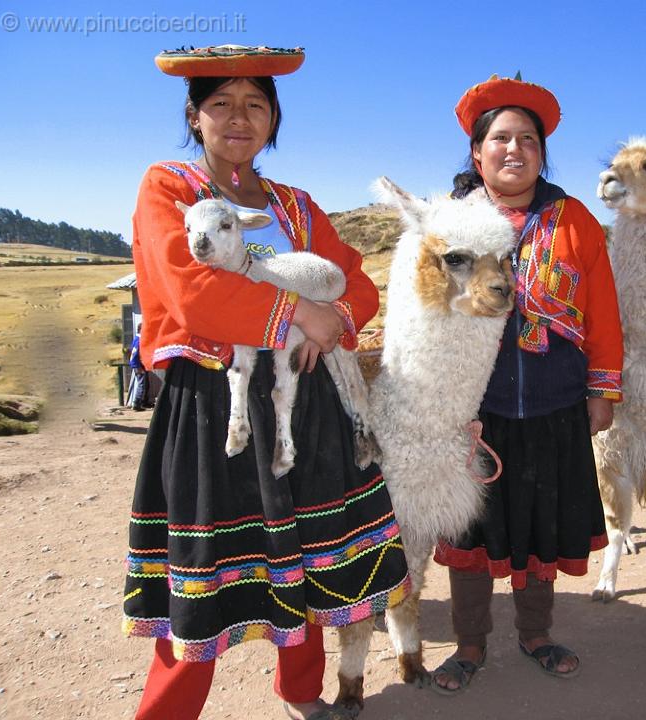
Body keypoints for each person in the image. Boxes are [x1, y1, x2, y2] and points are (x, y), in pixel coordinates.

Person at [121, 46, 409, 720]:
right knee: (202, 573)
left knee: (306, 558)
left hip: (302, 403)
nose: (238, 117)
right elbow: (189, 292)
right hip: (212, 401)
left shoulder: (295, 205)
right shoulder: (168, 187)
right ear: (194, 116)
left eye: (255, 103)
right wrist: (297, 314)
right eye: (221, 102)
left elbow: (356, 281)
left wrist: (334, 318)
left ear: (274, 117)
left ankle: (300, 693)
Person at [431, 75, 624, 692]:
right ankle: (468, 643)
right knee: (471, 528)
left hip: (554, 401)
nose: (514, 149)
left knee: (541, 522)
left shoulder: (576, 222)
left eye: (527, 140)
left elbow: (602, 310)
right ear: (477, 152)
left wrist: (602, 390)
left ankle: (535, 633)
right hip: (472, 406)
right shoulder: (450, 224)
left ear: (541, 153)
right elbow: (425, 311)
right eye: (501, 138)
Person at [127, 323, 149, 411]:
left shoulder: (136, 339)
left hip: (139, 364)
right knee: (141, 384)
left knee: (144, 383)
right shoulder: (139, 340)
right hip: (138, 365)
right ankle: (137, 403)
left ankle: (143, 401)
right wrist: (137, 366)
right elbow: (135, 354)